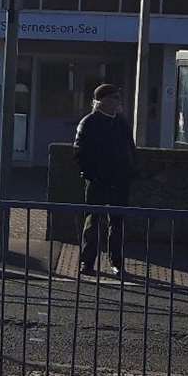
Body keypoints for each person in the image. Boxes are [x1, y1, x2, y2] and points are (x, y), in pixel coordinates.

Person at [74, 83, 135, 278]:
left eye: (118, 98)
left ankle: (116, 262)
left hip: (119, 180)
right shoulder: (89, 122)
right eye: (114, 98)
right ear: (103, 101)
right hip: (97, 180)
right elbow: (79, 151)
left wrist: (130, 171)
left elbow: (130, 150)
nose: (118, 102)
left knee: (117, 223)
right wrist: (90, 174)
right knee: (92, 221)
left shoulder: (122, 123)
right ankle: (87, 261)